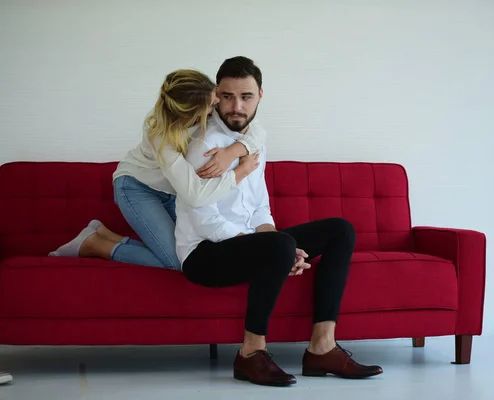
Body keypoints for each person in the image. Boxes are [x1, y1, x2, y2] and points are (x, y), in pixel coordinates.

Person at [176, 56, 383, 387]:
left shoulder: (254, 140)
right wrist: (272, 248)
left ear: (260, 95)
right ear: (216, 94)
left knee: (339, 231)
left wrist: (274, 242)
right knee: (279, 245)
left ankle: (322, 347)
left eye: (246, 97)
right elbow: (204, 220)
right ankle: (250, 354)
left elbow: (259, 205)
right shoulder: (203, 145)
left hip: (248, 244)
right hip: (204, 254)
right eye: (228, 96)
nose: (236, 107)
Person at [49, 69, 266, 269]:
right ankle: (95, 244)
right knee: (179, 262)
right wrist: (240, 172)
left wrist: (235, 151)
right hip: (137, 189)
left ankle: (105, 234)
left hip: (172, 192)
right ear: (192, 115)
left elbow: (255, 129)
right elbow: (196, 196)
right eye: (212, 105)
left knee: (191, 246)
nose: (220, 105)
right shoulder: (161, 139)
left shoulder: (207, 105)